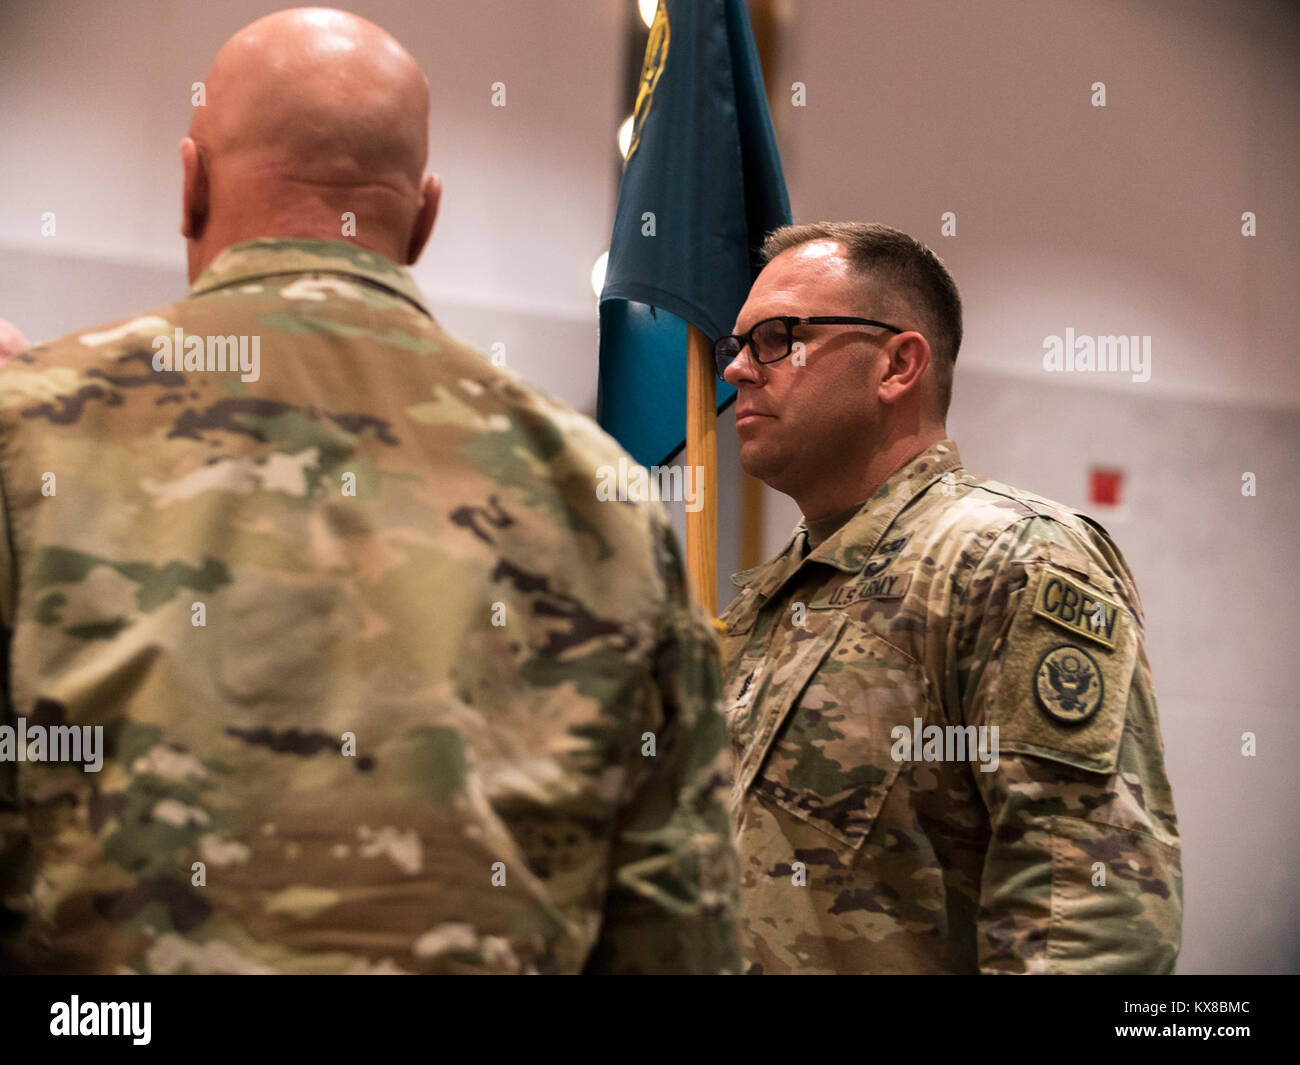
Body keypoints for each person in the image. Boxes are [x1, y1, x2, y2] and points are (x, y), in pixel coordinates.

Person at [0, 7, 739, 975]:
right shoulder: (599, 490)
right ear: (425, 216)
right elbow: (671, 934)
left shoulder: (30, 431)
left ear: (190, 186)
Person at [716, 221, 1181, 974]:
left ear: (897, 364)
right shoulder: (772, 597)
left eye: (776, 337)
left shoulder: (1010, 560)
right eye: (734, 345)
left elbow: (1087, 915)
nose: (738, 368)